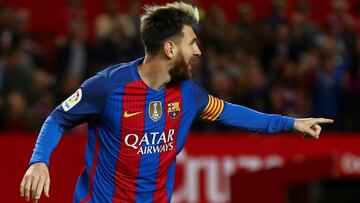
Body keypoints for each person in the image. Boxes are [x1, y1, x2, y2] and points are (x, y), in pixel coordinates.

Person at [19, 2, 333, 203]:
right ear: (170, 49)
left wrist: (290, 123)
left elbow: (231, 114)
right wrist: (39, 160)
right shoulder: (107, 86)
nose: (198, 51)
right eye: (192, 43)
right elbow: (58, 118)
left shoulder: (189, 93)